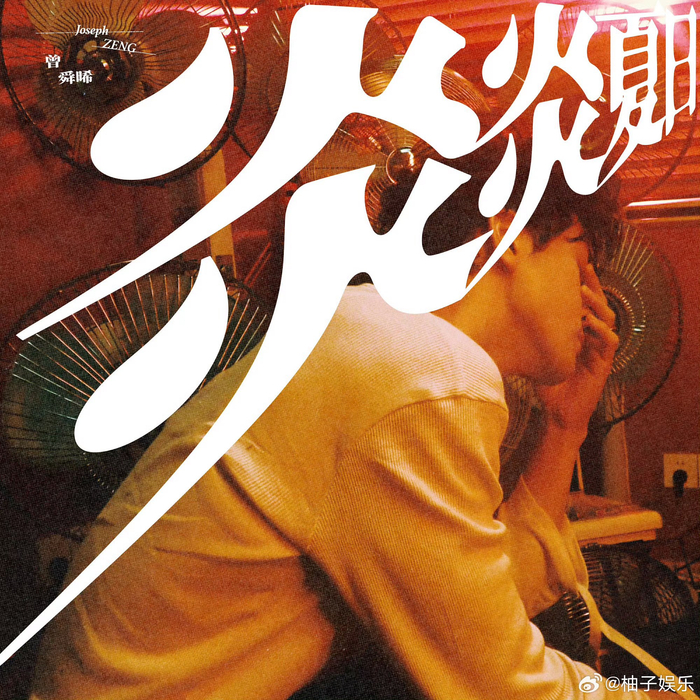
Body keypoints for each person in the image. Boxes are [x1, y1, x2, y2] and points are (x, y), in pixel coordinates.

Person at [29, 146, 667, 700]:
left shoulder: (378, 334)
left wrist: (564, 426)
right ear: (510, 231)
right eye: (583, 259)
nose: (595, 297)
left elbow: (476, 617)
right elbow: (502, 684)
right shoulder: (418, 366)